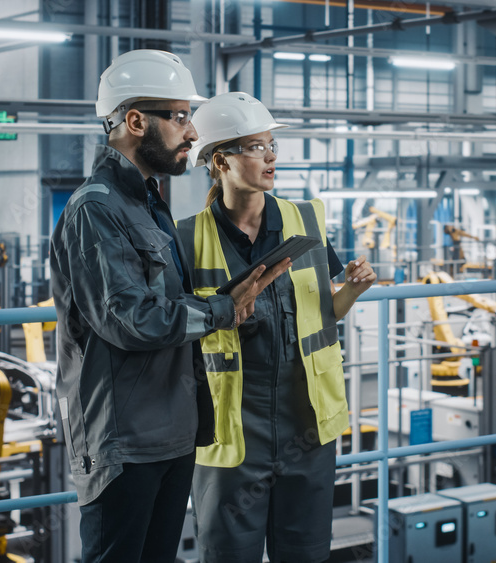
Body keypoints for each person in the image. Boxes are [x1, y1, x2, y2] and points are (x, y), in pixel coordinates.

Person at [49, 52, 289, 563]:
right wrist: (224, 309)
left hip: (171, 431)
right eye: (179, 117)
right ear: (135, 121)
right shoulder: (96, 208)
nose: (191, 132)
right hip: (123, 440)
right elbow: (129, 319)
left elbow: (165, 305)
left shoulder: (150, 203)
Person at [177, 92, 377, 563]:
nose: (269, 157)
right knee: (227, 553)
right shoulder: (185, 239)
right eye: (254, 147)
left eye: (271, 146)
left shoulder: (304, 219)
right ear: (220, 160)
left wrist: (352, 289)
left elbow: (325, 311)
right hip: (229, 430)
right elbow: (175, 327)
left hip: (305, 423)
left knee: (306, 552)